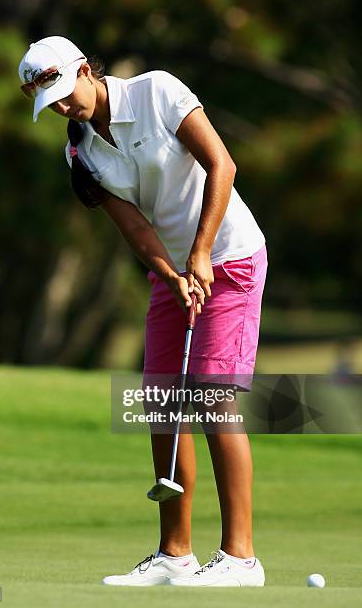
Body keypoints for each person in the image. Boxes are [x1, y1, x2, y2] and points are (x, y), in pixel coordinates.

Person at [18, 36, 268, 587]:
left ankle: (240, 559)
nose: (63, 107)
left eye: (64, 93)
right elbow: (134, 227)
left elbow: (222, 165)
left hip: (230, 256)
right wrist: (173, 274)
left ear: (86, 69)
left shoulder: (158, 92)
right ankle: (175, 553)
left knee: (210, 396)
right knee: (162, 401)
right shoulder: (80, 149)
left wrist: (200, 253)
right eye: (50, 103)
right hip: (174, 271)